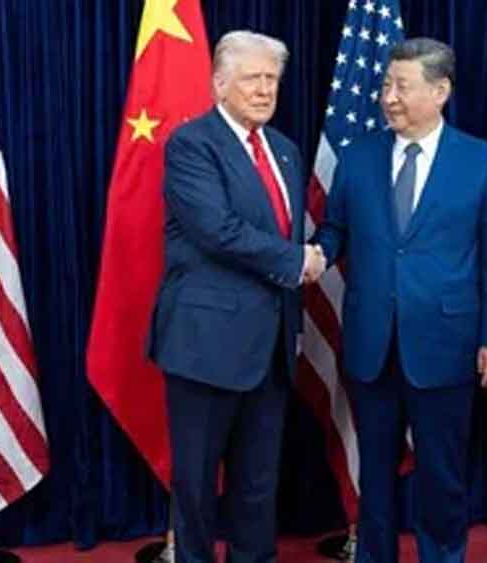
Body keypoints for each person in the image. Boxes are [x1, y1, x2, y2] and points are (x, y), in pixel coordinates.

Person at [312, 38, 487, 563]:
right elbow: (336, 229)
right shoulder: (357, 158)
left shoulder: (483, 161)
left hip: (447, 343)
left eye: (401, 86)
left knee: (442, 476)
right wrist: (316, 254)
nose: (388, 97)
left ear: (440, 91)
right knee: (374, 475)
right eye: (386, 85)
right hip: (371, 343)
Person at [146, 30, 324, 563]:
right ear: (220, 83)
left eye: (272, 79)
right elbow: (216, 230)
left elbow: (283, 229)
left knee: (258, 483)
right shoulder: (192, 144)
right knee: (197, 484)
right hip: (205, 344)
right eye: (252, 78)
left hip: (271, 346)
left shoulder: (286, 151)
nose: (265, 90)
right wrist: (297, 261)